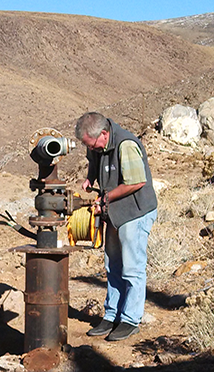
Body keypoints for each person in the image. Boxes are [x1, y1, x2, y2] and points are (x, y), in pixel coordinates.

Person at [75, 112, 158, 341]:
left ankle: (130, 319)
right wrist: (91, 178)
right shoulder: (96, 144)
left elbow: (136, 182)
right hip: (114, 211)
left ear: (103, 134)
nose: (90, 148)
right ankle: (112, 315)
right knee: (113, 266)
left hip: (134, 212)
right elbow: (94, 159)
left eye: (91, 144)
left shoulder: (126, 145)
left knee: (132, 268)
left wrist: (105, 198)